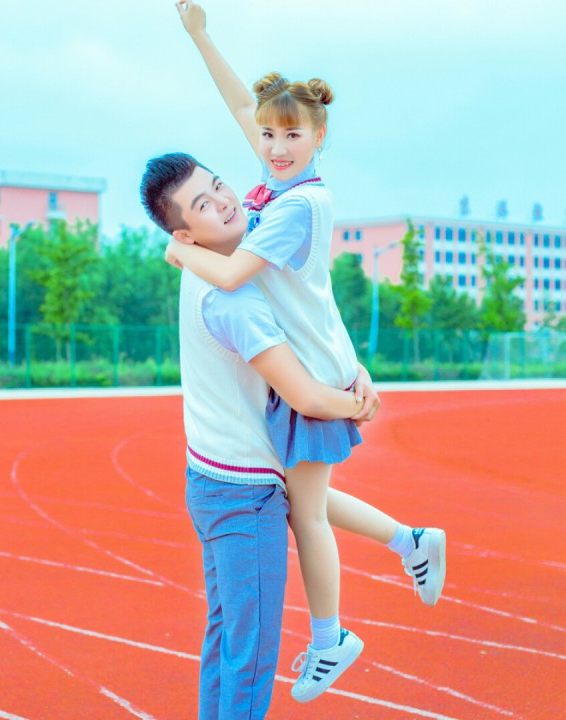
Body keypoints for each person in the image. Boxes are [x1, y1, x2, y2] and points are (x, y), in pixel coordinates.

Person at [166, 1, 447, 705]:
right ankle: (411, 542)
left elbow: (233, 273)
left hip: (315, 372)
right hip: (322, 354)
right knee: (302, 496)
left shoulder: (298, 206)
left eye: (291, 135)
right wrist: (200, 36)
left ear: (319, 136)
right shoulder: (273, 181)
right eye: (269, 135)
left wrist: (178, 250)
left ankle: (330, 639)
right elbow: (242, 105)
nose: (274, 145)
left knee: (305, 513)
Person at [141, 152, 380, 720]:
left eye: (219, 185)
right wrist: (361, 403)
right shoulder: (233, 299)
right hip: (244, 494)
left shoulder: (206, 262)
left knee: (227, 640)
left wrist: (352, 366)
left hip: (209, 480)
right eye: (204, 204)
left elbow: (253, 128)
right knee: (248, 658)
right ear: (184, 233)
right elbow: (306, 397)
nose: (226, 202)